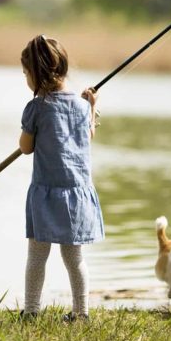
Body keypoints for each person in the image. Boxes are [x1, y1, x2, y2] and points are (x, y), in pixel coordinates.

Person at [19, 34, 104, 321]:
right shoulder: (81, 108)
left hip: (46, 196)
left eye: (26, 73)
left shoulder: (36, 108)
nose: (25, 79)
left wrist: (30, 129)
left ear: (36, 74)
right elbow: (88, 136)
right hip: (76, 196)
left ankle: (32, 311)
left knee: (37, 257)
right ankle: (81, 313)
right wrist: (91, 108)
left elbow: (25, 148)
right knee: (75, 259)